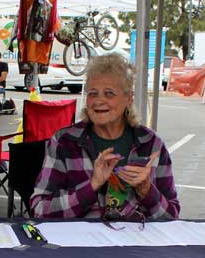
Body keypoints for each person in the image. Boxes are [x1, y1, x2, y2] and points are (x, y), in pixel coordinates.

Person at [30, 53, 180, 220]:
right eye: (93, 93)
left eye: (109, 93)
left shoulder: (151, 144)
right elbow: (39, 209)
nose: (98, 100)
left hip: (135, 236)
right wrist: (91, 186)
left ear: (129, 98)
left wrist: (146, 190)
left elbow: (172, 217)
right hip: (82, 235)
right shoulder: (64, 142)